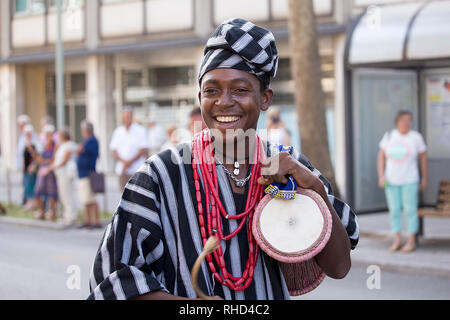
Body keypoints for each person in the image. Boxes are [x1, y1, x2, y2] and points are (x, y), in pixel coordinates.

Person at [88, 18, 359, 300]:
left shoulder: (289, 166)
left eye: (240, 90)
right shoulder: (160, 175)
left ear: (265, 98)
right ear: (200, 97)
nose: (224, 101)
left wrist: (314, 189)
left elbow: (339, 267)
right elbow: (112, 281)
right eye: (212, 90)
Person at [377, 110, 428, 253]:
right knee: (394, 210)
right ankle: (397, 239)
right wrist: (381, 176)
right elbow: (381, 157)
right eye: (403, 120)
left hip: (410, 179)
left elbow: (423, 158)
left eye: (409, 120)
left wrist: (424, 178)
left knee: (410, 210)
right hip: (391, 180)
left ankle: (411, 240)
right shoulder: (389, 136)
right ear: (397, 122)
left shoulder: (416, 137)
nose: (406, 123)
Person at [110, 107, 149, 190]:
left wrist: (129, 162)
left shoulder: (140, 130)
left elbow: (143, 150)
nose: (127, 118)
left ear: (132, 117)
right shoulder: (118, 131)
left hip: (136, 169)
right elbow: (114, 150)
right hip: (122, 169)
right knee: (123, 196)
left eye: (128, 116)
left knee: (137, 196)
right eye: (125, 116)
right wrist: (124, 162)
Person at [45, 128, 78, 226]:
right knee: (64, 195)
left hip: (66, 174)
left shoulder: (69, 145)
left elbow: (64, 160)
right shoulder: (63, 146)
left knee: (67, 195)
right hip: (61, 174)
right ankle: (67, 215)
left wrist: (53, 167)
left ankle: (70, 216)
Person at [76, 120, 101, 229]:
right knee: (86, 199)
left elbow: (81, 151)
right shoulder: (89, 140)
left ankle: (95, 221)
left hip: (88, 173)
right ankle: (88, 220)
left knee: (91, 198)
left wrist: (79, 150)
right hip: (84, 173)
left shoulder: (91, 141)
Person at [34, 124, 58, 221]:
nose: (48, 135)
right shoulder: (42, 144)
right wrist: (44, 161)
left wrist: (45, 162)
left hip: (50, 171)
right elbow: (39, 159)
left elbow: (53, 159)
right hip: (42, 170)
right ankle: (41, 211)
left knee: (51, 193)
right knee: (37, 191)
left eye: (50, 134)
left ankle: (52, 212)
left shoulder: (55, 145)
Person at [22, 124, 39, 211]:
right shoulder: (24, 142)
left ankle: (33, 204)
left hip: (32, 169)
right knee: (27, 186)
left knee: (32, 186)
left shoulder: (34, 142)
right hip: (26, 169)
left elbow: (36, 156)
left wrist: (32, 166)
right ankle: (29, 203)